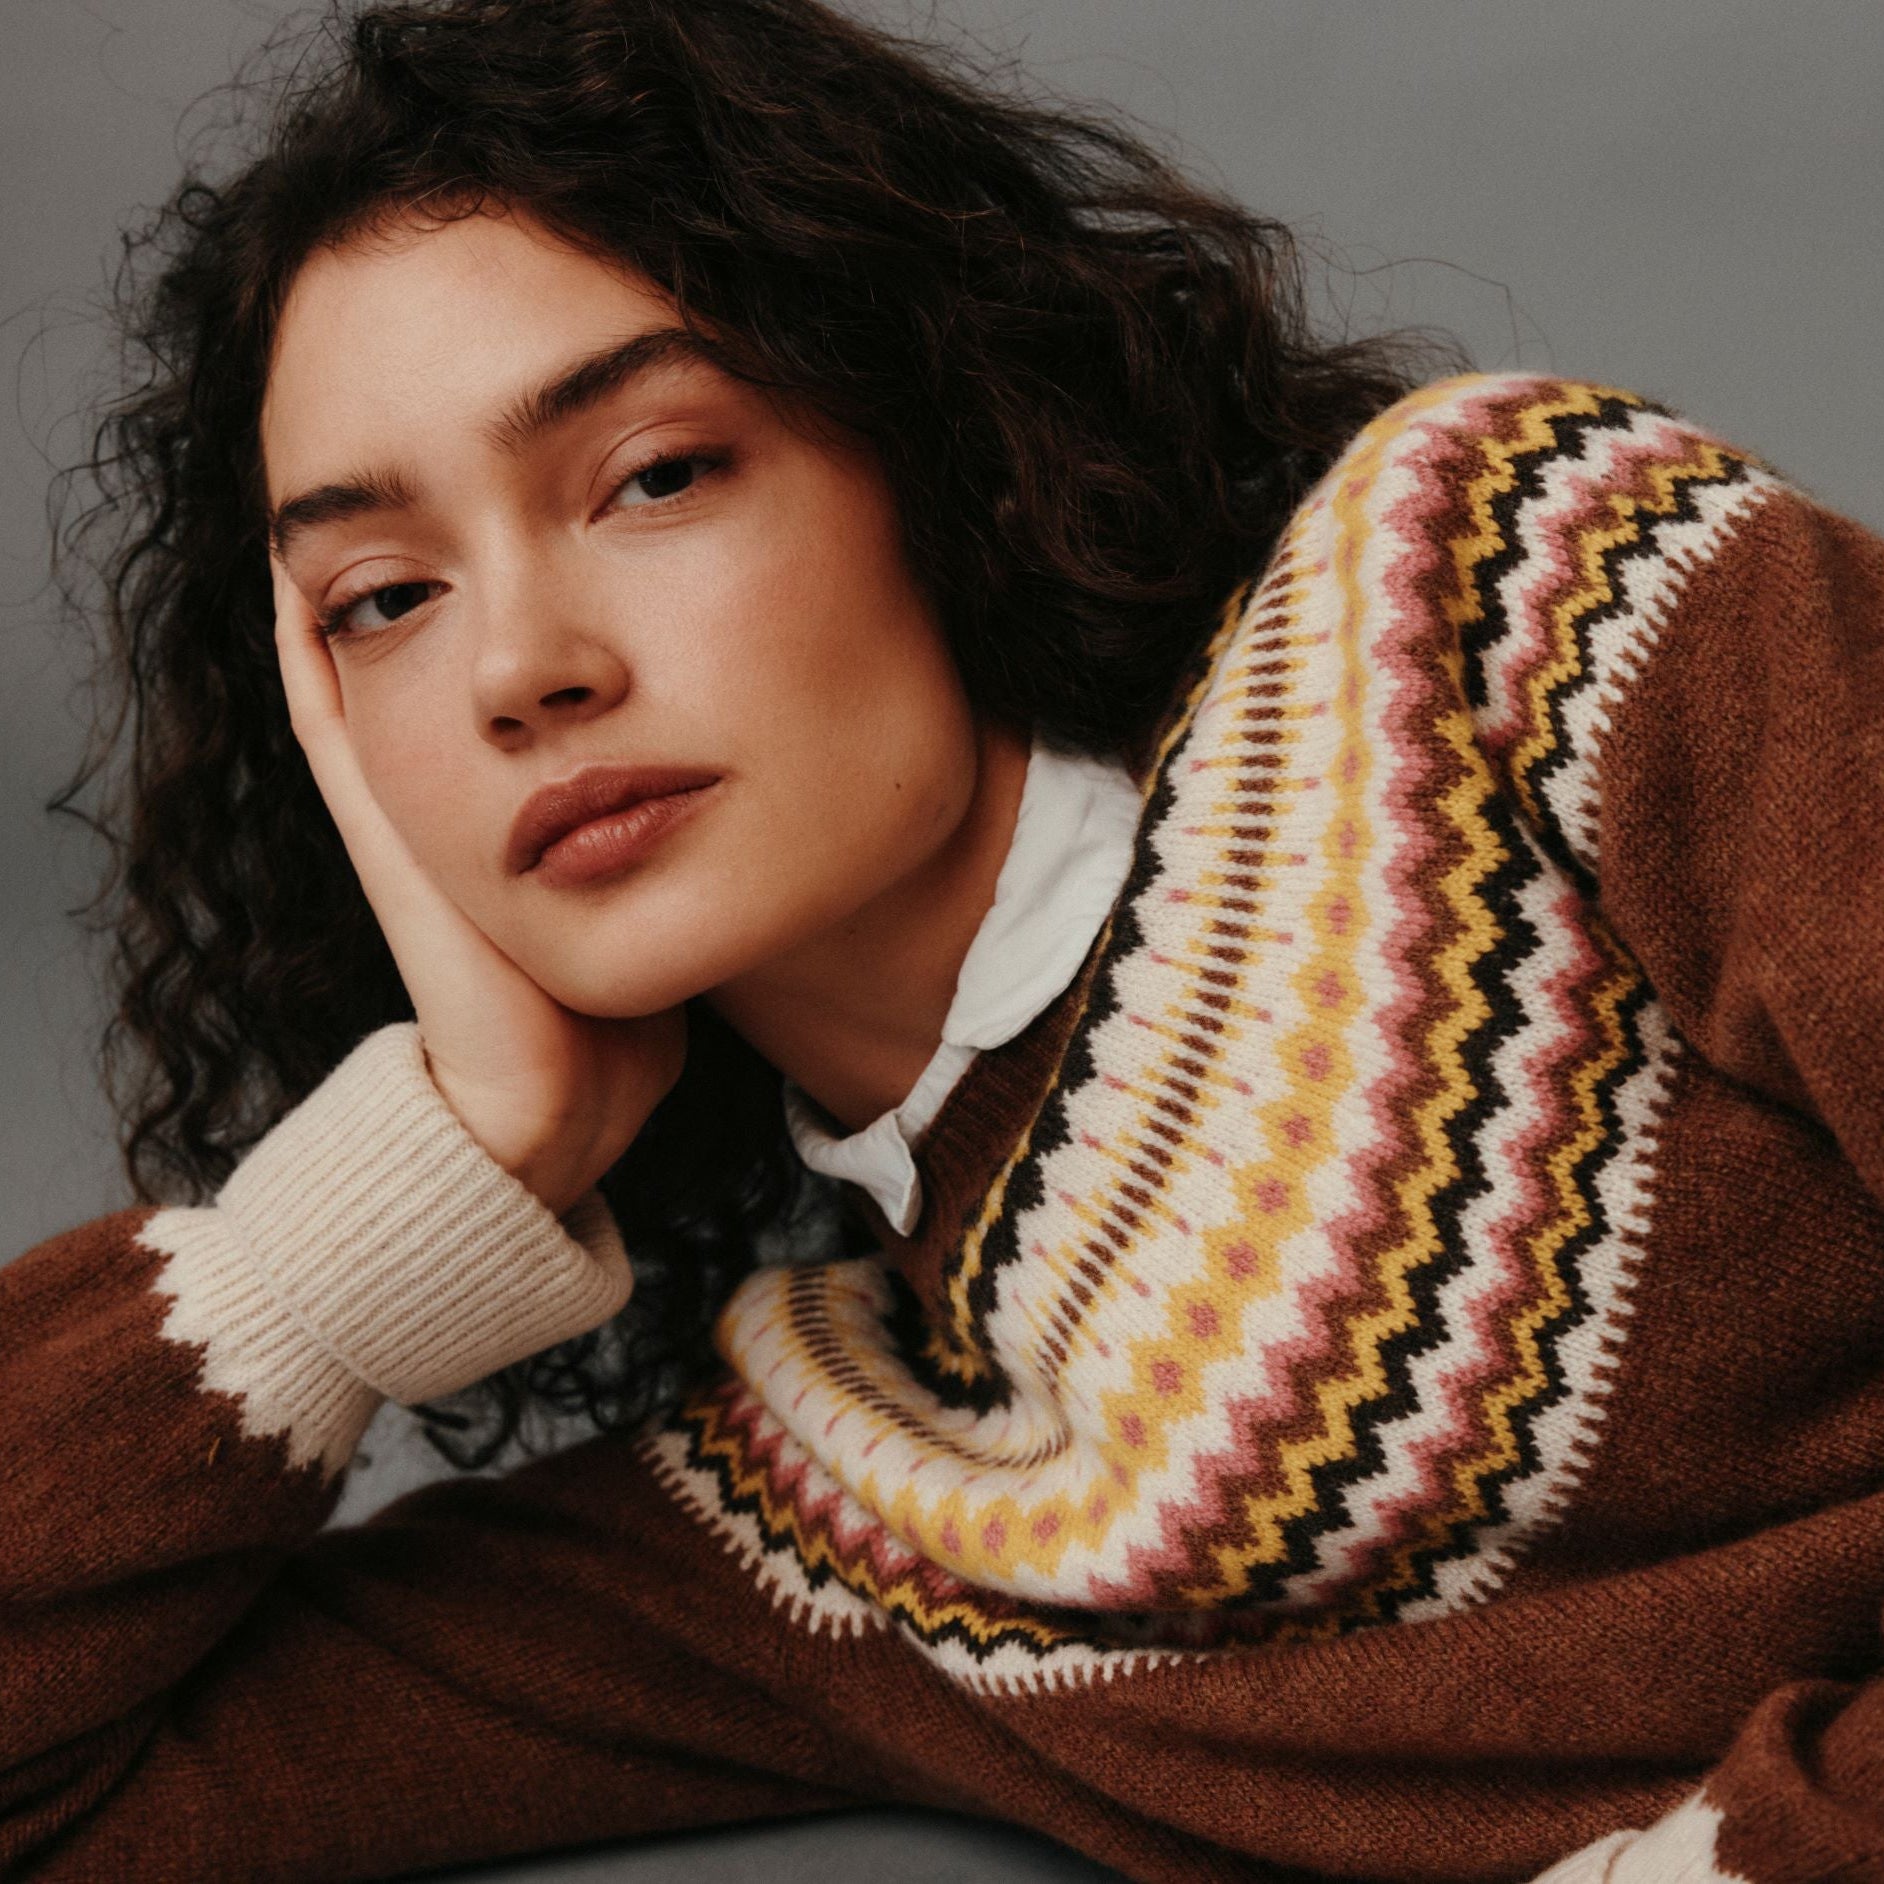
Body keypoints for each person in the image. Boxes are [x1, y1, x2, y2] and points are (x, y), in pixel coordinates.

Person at [6, 0, 1881, 1878]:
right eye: (383, 599)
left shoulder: (1509, 596)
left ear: (942, 442)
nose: (519, 668)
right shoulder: (863, 1502)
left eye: (657, 475)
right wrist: (399, 1200)